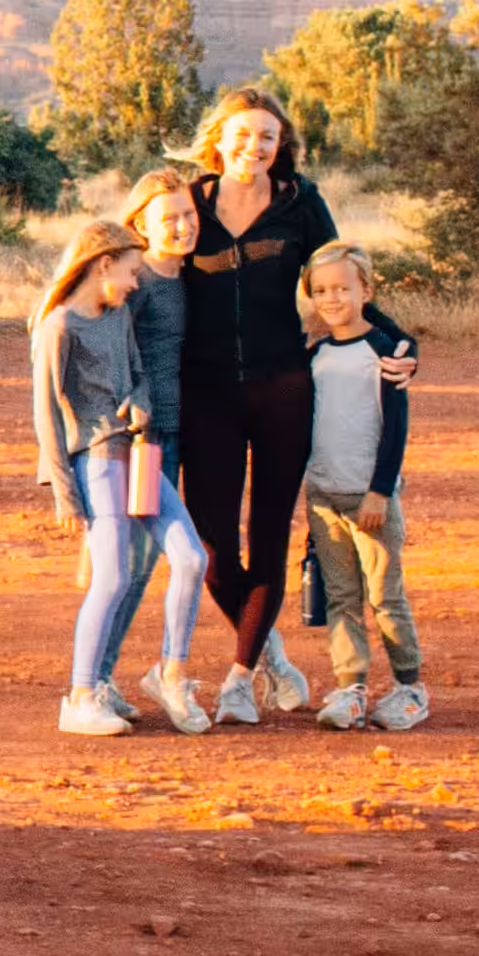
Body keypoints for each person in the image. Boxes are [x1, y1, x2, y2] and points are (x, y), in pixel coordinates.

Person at [168, 89, 342, 724]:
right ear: (219, 137)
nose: (255, 147)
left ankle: (240, 679)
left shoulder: (301, 203)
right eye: (243, 135)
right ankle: (269, 649)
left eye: (267, 137)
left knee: (269, 535)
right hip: (205, 392)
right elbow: (148, 270)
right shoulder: (188, 202)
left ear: (281, 144)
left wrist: (387, 342)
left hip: (283, 389)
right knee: (211, 548)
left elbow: (337, 280)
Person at [24, 212, 191, 737]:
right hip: (95, 462)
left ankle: (172, 673)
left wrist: (139, 402)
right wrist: (62, 492)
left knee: (190, 557)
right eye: (130, 271)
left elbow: (139, 375)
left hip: (138, 454)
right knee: (113, 577)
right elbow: (46, 413)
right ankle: (80, 697)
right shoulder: (58, 328)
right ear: (102, 266)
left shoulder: (117, 316)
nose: (136, 282)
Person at [289, 243, 429, 730]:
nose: (331, 299)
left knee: (385, 596)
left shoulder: (386, 352)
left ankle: (410, 687)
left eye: (343, 289)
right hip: (323, 496)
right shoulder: (315, 354)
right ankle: (350, 687)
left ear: (365, 291)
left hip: (370, 497)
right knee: (342, 596)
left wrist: (380, 491)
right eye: (320, 290)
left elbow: (396, 427)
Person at [116, 172, 227, 728]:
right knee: (149, 562)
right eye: (168, 219)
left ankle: (119, 677)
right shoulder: (134, 283)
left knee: (162, 561)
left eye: (188, 215)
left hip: (193, 434)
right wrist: (136, 404)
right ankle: (143, 677)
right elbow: (113, 353)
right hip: (145, 444)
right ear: (141, 225)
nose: (182, 227)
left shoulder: (199, 275)